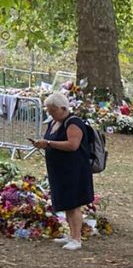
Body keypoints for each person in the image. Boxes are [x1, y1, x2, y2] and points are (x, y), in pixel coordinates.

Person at [30, 92, 93, 251]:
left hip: (74, 169)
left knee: (74, 203)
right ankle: (71, 234)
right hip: (59, 170)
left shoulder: (73, 123)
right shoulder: (54, 122)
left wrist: (49, 143)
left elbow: (73, 145)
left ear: (63, 108)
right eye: (49, 111)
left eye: (53, 111)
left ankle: (77, 238)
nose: (50, 114)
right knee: (65, 202)